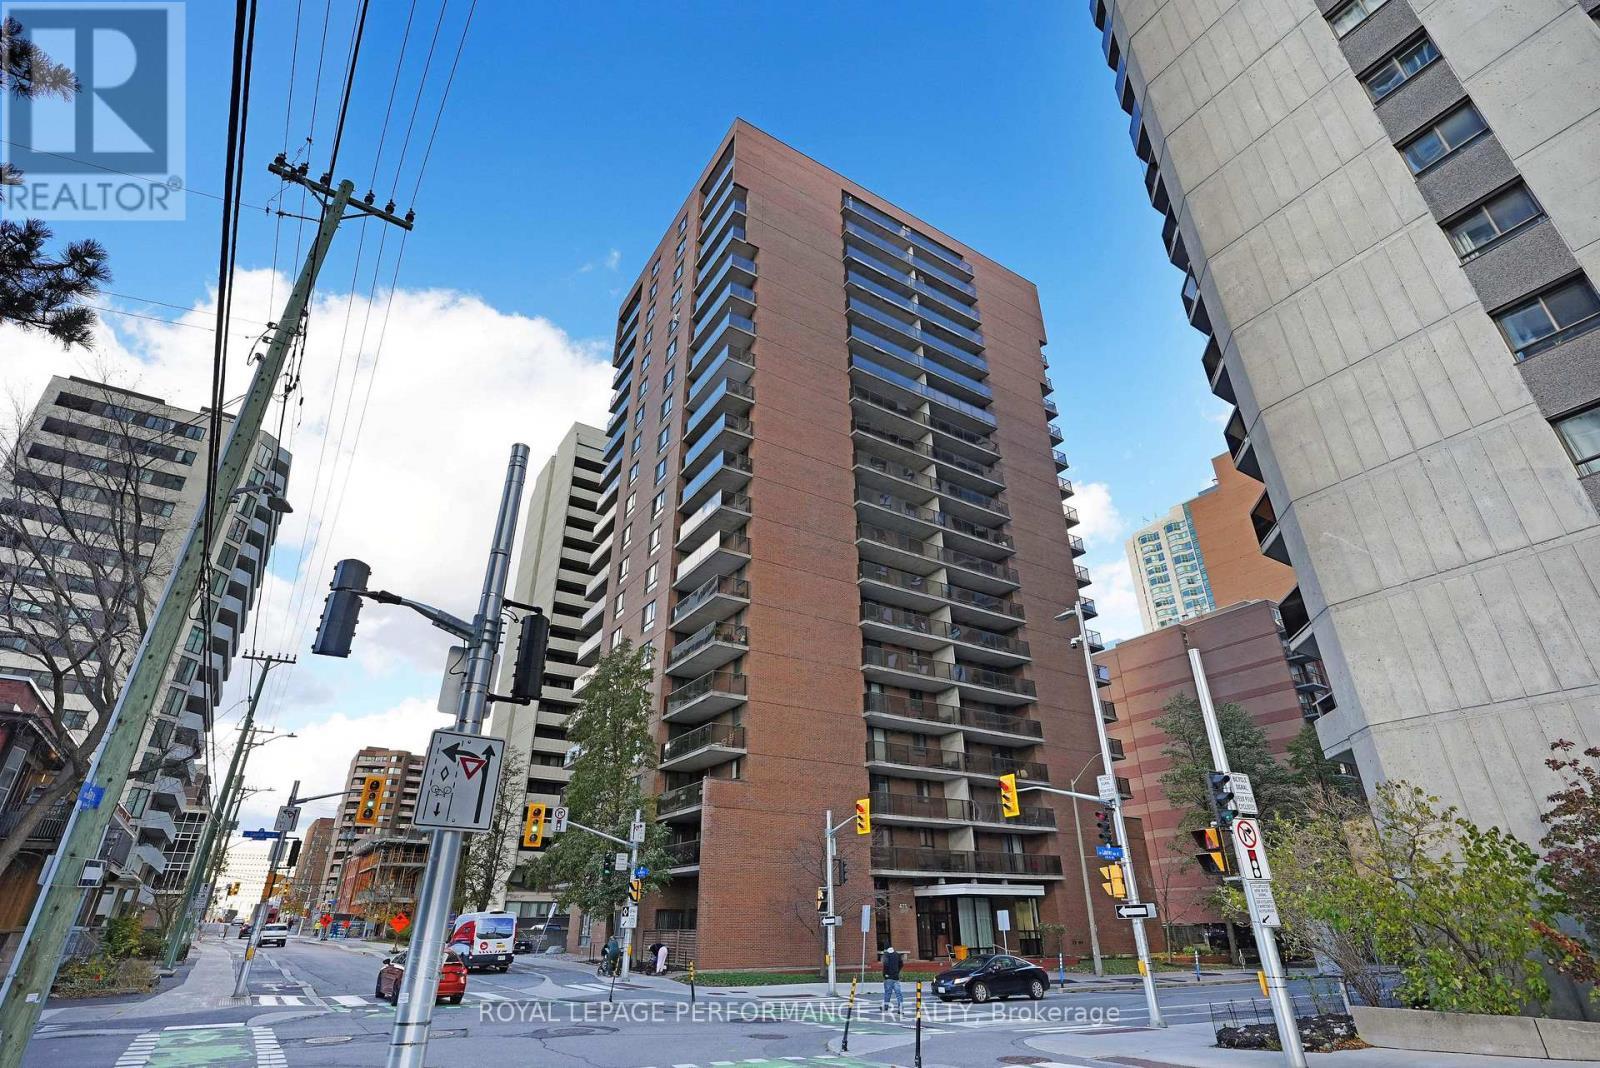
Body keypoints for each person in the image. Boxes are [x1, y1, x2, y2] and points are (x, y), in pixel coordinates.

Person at [881, 945, 905, 1013]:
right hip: (896, 977)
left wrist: (885, 974)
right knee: (898, 993)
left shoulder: (886, 955)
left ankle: (886, 1006)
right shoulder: (897, 955)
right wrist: (897, 971)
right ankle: (901, 1008)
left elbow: (885, 965)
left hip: (888, 977)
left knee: (888, 993)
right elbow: (901, 964)